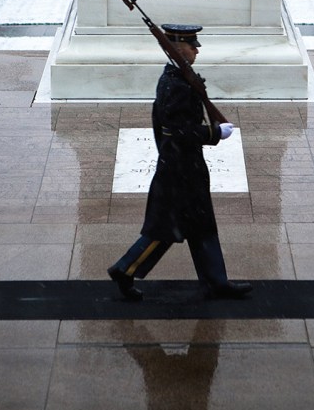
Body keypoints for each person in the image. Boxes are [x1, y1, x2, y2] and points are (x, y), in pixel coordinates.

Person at [107, 23, 253, 301]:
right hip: (178, 171)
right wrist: (213, 132)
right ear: (176, 49)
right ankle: (125, 268)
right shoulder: (175, 84)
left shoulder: (179, 78)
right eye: (191, 45)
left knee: (202, 226)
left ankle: (216, 282)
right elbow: (177, 131)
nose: (197, 49)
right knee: (164, 230)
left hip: (188, 167)